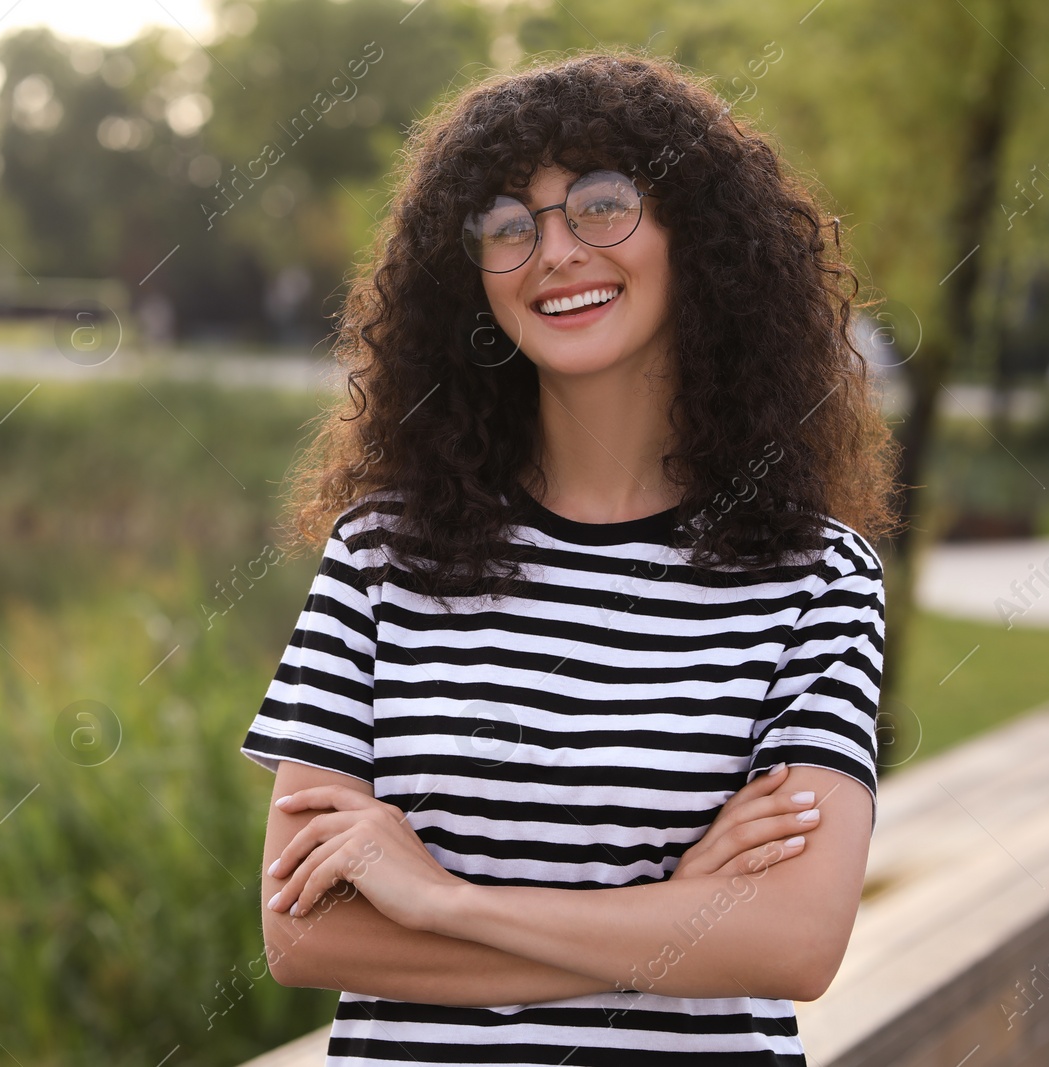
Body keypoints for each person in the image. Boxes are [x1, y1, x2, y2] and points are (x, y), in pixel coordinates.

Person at [238, 48, 902, 1066]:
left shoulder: (814, 577)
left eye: (599, 203)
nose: (553, 250)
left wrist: (440, 899)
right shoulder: (381, 555)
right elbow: (304, 930)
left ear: (698, 238)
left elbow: (795, 938)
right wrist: (678, 917)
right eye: (508, 223)